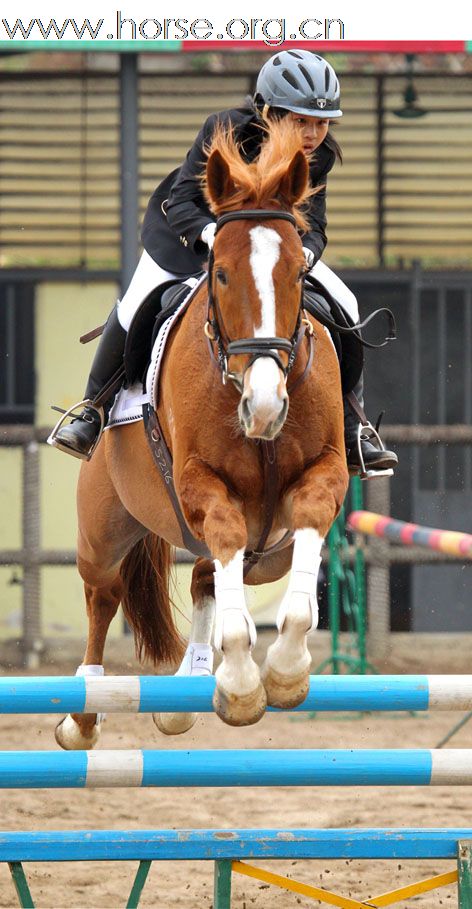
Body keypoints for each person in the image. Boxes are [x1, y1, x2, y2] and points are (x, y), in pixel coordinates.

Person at [50, 48, 397, 477]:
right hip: (187, 239)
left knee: (346, 301)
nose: (312, 134)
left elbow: (317, 224)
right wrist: (215, 236)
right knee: (135, 303)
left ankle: (353, 428)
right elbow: (181, 203)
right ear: (267, 111)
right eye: (300, 121)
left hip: (270, 252)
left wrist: (305, 252)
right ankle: (92, 411)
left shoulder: (319, 156)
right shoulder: (224, 129)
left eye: (322, 123)